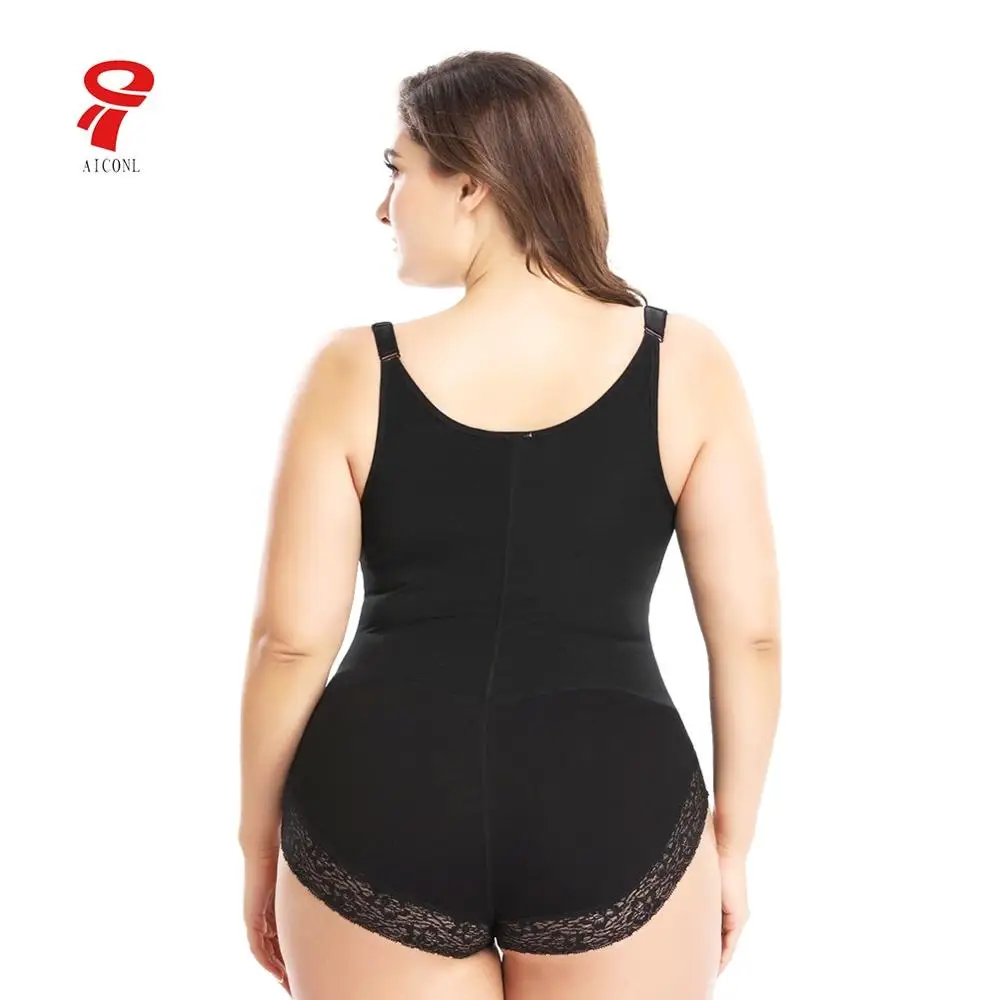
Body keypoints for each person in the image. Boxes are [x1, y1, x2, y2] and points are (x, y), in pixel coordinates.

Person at [238, 50, 781, 1000]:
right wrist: (730, 843)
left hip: (379, 797)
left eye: (398, 171)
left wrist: (257, 846)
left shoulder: (354, 371)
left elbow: (290, 643)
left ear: (472, 186)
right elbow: (752, 636)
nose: (383, 207)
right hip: (614, 801)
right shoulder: (684, 362)